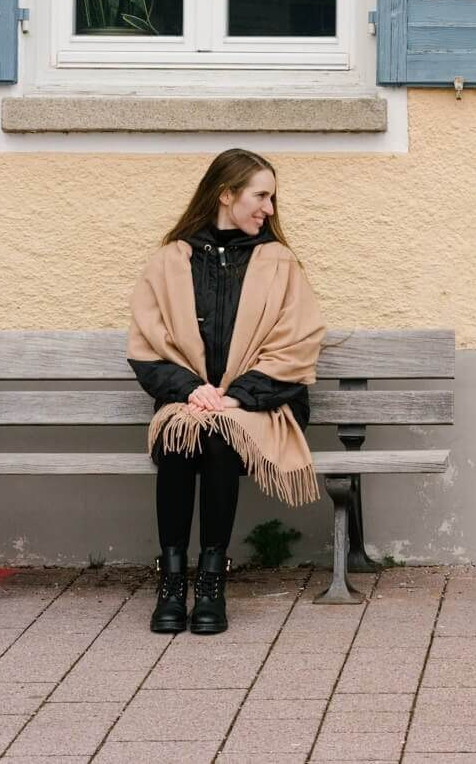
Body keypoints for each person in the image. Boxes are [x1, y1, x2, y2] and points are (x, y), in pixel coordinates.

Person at [127, 148, 324, 635]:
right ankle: (172, 582)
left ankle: (211, 580)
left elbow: (296, 343)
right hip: (189, 400)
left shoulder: (279, 262)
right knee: (182, 435)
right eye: (261, 195)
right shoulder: (170, 261)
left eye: (273, 198)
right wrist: (193, 390)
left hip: (262, 405)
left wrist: (235, 397)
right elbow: (148, 346)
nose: (270, 209)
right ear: (225, 194)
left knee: (218, 434)